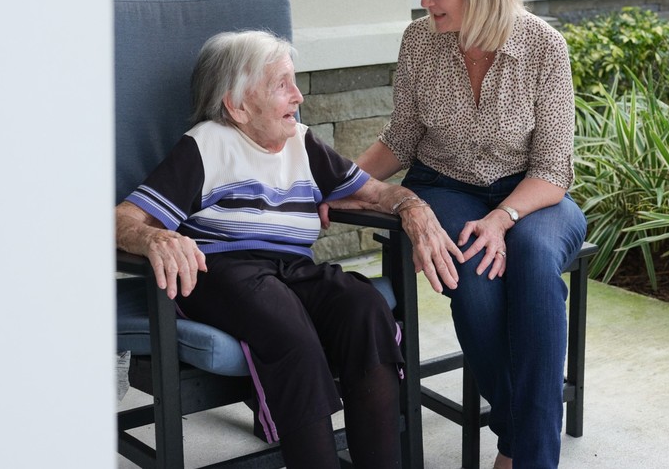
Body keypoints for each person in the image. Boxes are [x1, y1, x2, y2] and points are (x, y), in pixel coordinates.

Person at [115, 30, 463, 469]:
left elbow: (374, 193)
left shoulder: (302, 141)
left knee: (365, 309)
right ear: (237, 106)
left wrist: (412, 206)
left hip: (293, 270)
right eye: (282, 85)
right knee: (287, 327)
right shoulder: (206, 144)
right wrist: (154, 237)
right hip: (222, 270)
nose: (298, 96)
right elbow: (121, 219)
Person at [351, 0, 587, 469]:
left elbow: (554, 170)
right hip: (445, 183)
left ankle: (524, 455)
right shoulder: (419, 42)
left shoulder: (543, 48)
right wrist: (342, 184)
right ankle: (520, 441)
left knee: (532, 259)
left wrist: (503, 218)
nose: (425, 0)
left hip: (534, 193)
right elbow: (401, 141)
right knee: (476, 284)